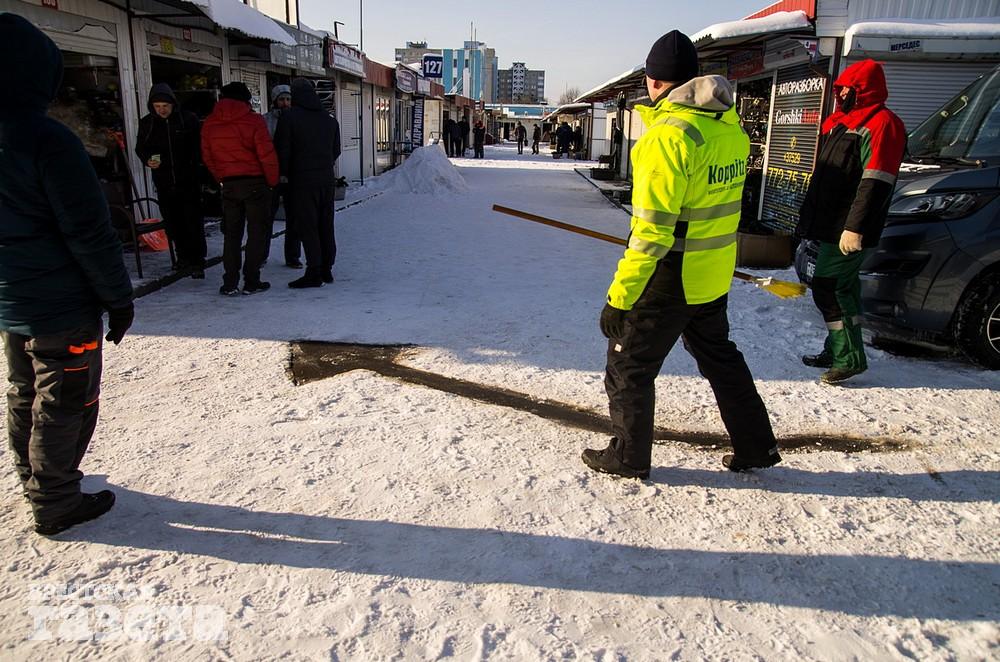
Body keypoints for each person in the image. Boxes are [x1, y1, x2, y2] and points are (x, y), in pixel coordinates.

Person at [581, 30, 780, 479]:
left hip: (672, 274)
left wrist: (620, 296)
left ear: (653, 81)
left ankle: (628, 456)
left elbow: (652, 234)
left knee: (628, 364)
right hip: (712, 273)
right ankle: (756, 445)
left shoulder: (665, 139)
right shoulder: (729, 129)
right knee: (720, 358)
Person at [0, 14, 135, 535]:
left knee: (22, 391)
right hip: (60, 305)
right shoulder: (47, 140)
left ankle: (32, 478)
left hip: (11, 300)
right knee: (64, 399)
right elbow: (90, 232)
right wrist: (118, 299)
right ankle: (55, 500)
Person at [797, 60, 906, 385]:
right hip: (829, 224)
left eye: (845, 87)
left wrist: (854, 227)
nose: (839, 92)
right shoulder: (843, 122)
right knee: (844, 291)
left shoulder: (883, 124)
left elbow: (875, 182)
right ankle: (838, 349)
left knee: (829, 289)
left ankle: (850, 358)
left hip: (847, 228)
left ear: (862, 90)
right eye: (839, 87)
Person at [201, 82, 280, 296]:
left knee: (232, 235)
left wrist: (222, 178)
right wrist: (272, 182)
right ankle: (252, 281)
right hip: (255, 184)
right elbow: (266, 154)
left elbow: (208, 157)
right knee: (256, 234)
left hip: (230, 185)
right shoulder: (253, 121)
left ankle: (230, 283)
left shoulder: (210, 123)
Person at [275, 78, 341, 289]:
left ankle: (314, 271)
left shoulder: (290, 117)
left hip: (301, 181)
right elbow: (336, 150)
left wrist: (284, 174)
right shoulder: (330, 120)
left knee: (308, 226)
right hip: (326, 180)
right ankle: (326, 270)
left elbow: (282, 149)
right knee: (325, 225)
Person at [135, 83, 206, 278]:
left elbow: (199, 148)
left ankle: (198, 261)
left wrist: (198, 171)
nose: (162, 110)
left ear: (173, 104)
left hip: (188, 181)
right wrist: (148, 160)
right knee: (174, 224)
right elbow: (141, 147)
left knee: (193, 222)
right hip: (164, 182)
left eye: (165, 106)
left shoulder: (188, 120)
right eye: (157, 106)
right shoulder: (147, 123)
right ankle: (182, 258)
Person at [263, 84, 301, 269]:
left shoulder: (298, 120)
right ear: (275, 101)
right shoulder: (265, 121)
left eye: (288, 99)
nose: (285, 103)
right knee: (265, 217)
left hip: (293, 175)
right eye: (281, 99)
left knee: (294, 217)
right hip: (270, 175)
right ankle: (261, 254)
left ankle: (293, 256)